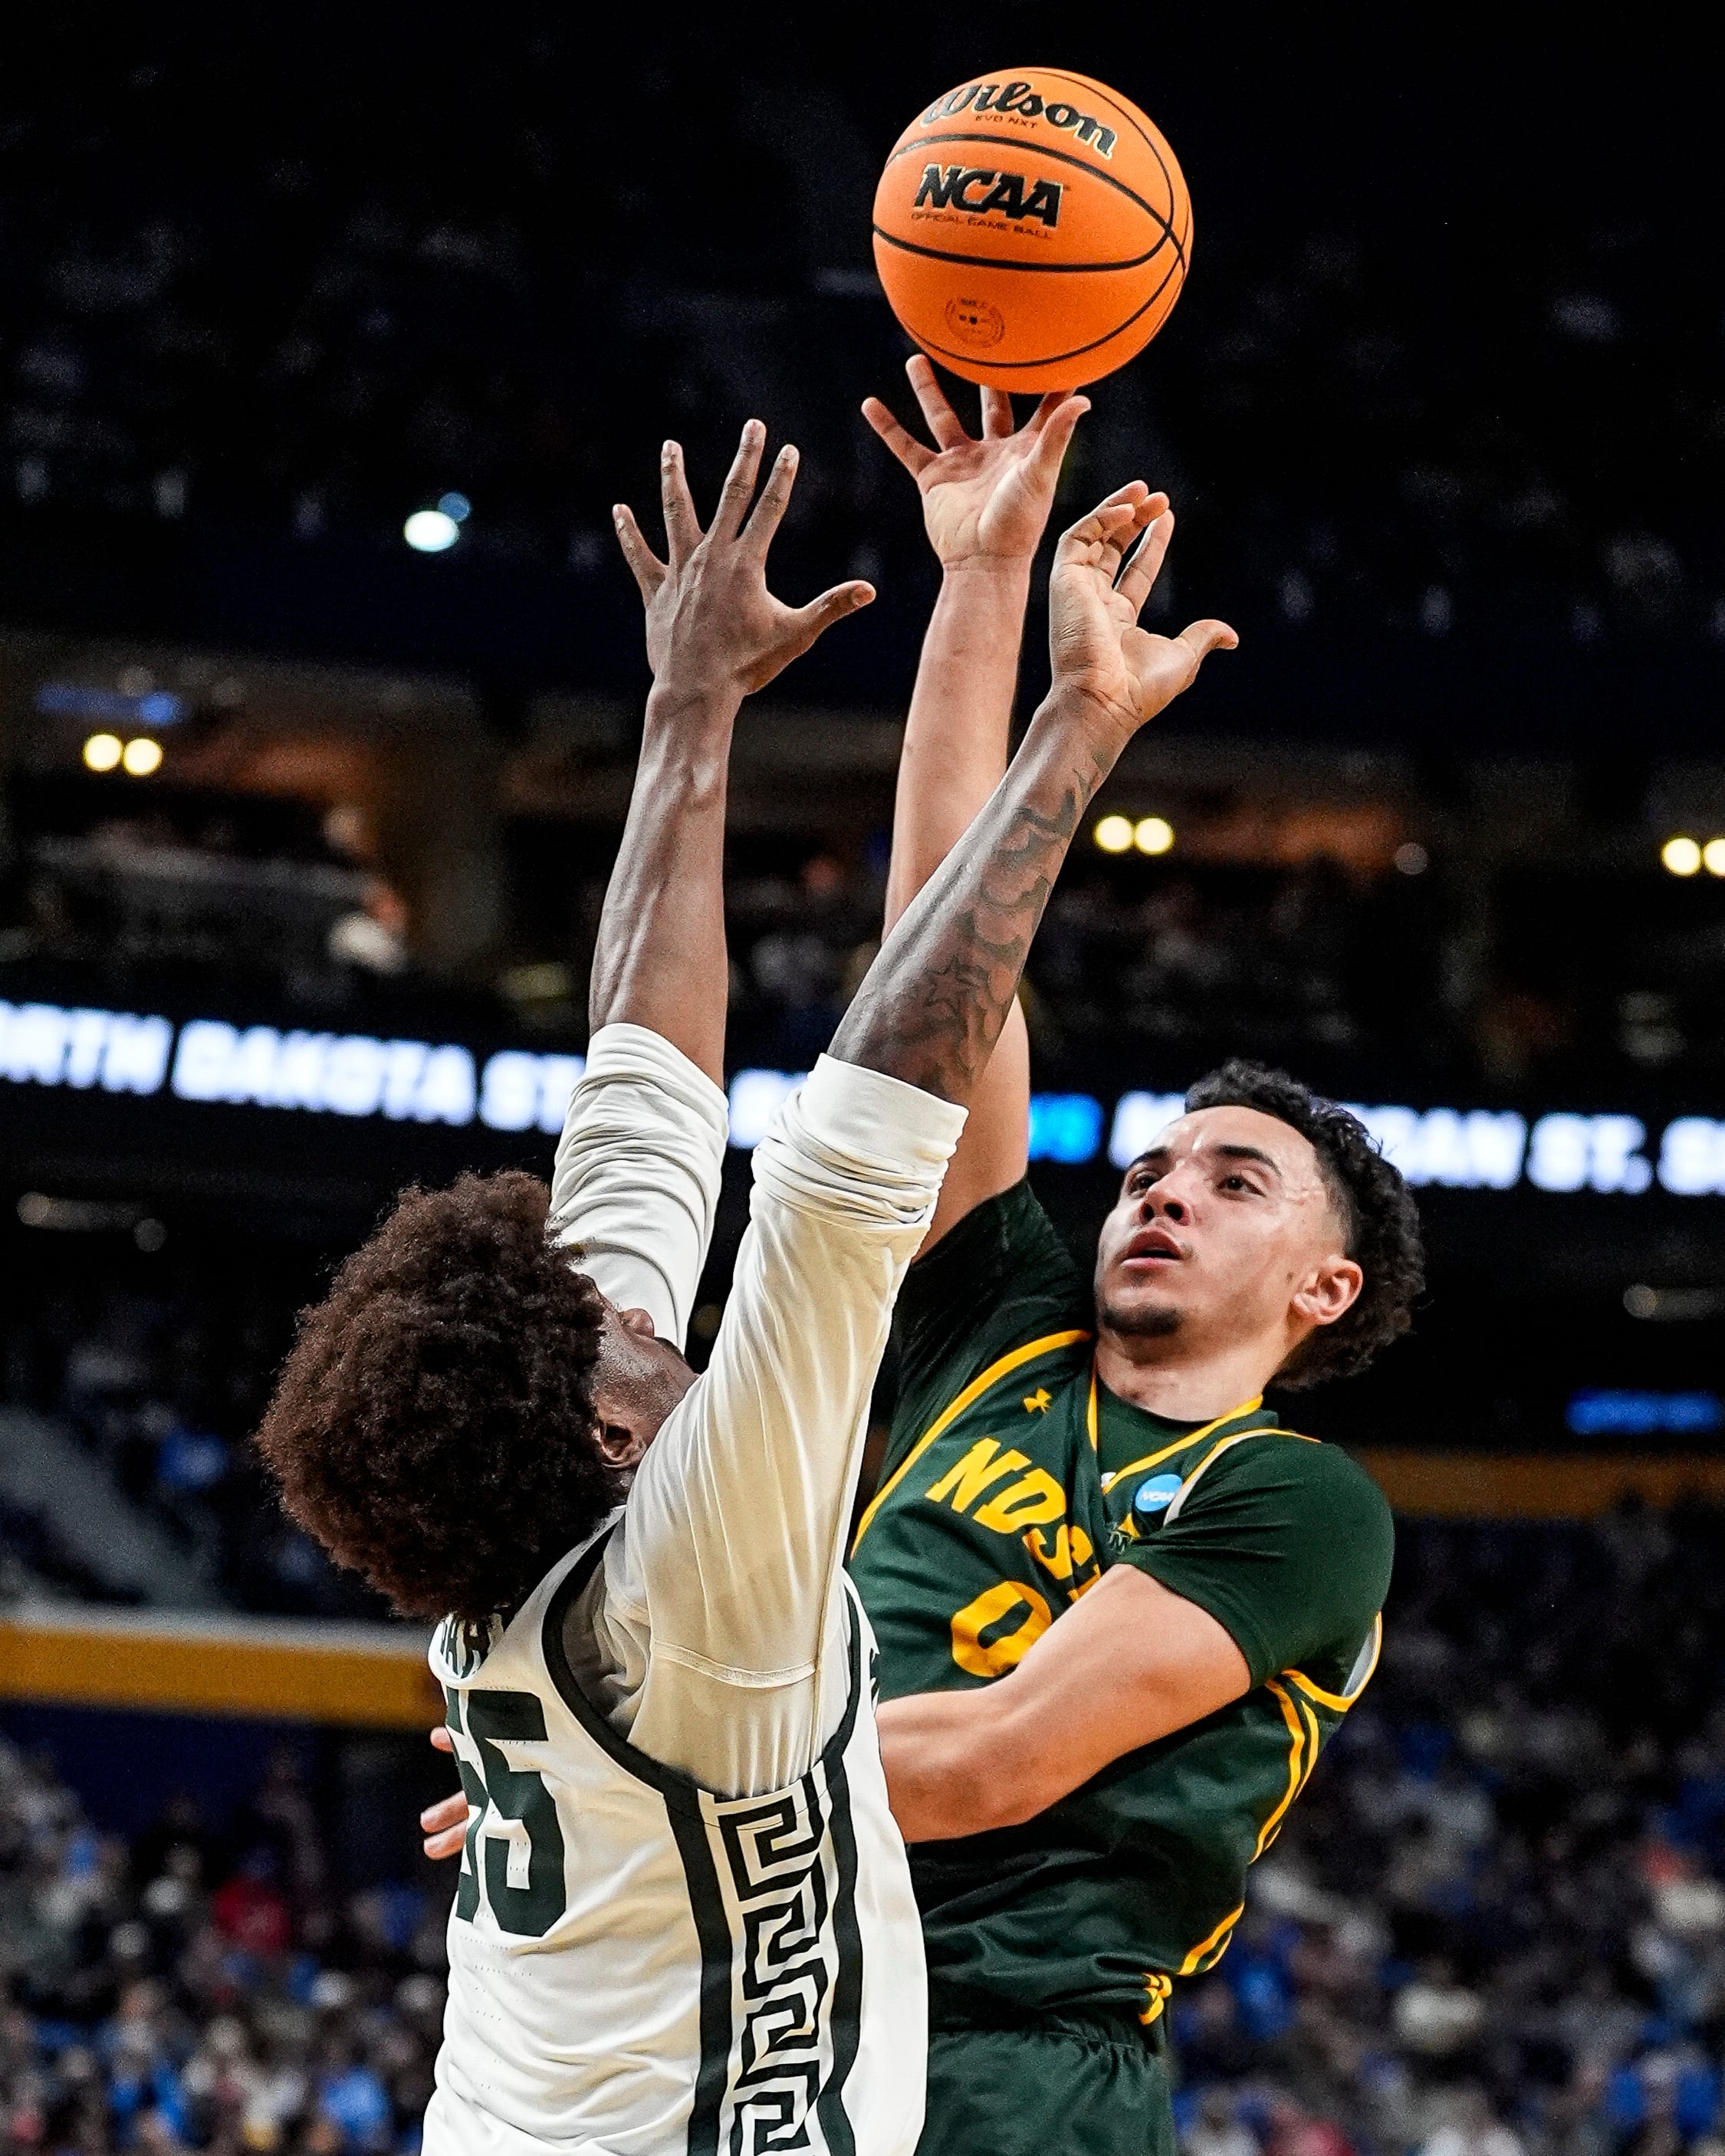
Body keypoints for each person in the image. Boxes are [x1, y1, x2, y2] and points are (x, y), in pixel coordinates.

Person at [266, 414, 1235, 2156]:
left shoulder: (550, 1485)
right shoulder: (696, 1582)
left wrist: (689, 704)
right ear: (611, 1434)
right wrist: (1078, 725)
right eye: (627, 1334)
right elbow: (864, 1120)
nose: (650, 1313)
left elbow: (640, 1069)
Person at [845, 360, 1426, 2156]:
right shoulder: (1000, 1327)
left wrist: (651, 1775)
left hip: (1003, 2059)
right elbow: (944, 955)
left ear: (1323, 1288)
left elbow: (999, 1757)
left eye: (1235, 1180)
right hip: (762, 1962)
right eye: (1151, 1165)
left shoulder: (1300, 1502)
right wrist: (978, 583)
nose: (1160, 1190)